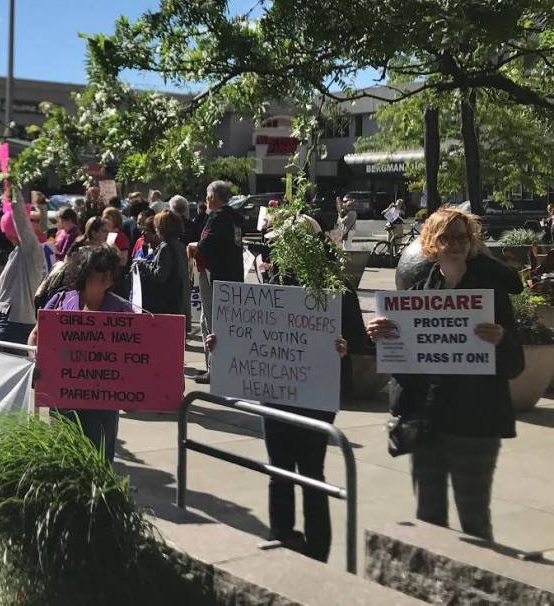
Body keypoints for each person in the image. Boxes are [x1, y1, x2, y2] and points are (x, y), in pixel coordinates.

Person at [366, 208, 524, 542]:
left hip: (475, 424)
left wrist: (500, 341)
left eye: (461, 238)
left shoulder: (490, 295)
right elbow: (404, 371)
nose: (453, 244)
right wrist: (384, 339)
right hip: (427, 423)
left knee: (475, 521)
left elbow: (515, 366)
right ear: (430, 244)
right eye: (445, 237)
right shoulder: (416, 295)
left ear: (472, 243)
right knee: (428, 520)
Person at [205, 331, 348, 561]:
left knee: (311, 476)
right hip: (274, 391)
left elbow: (345, 332)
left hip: (315, 395)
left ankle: (318, 550)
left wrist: (341, 349)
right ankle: (281, 536)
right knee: (279, 471)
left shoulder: (330, 295)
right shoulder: (258, 295)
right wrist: (222, 346)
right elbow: (245, 329)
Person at [28, 244, 133, 463]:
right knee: (65, 456)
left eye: (110, 270)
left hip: (103, 400)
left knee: (99, 459)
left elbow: (135, 352)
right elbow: (35, 336)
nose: (107, 275)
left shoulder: (122, 310)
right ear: (85, 272)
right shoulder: (60, 301)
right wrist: (36, 361)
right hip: (64, 396)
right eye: (100, 269)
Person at [195, 180, 245, 384]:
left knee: (211, 323)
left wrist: (195, 250)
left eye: (208, 196)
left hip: (216, 277)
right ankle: (223, 366)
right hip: (233, 277)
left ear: (212, 197)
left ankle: (214, 369)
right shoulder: (234, 218)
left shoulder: (216, 218)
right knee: (226, 325)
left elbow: (203, 247)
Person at [0, 189, 47, 344]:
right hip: (4, 317)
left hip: (17, 322)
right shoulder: (16, 252)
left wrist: (14, 191)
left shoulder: (32, 250)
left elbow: (22, 223)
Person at [136, 211, 190, 317]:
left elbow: (160, 276)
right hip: (178, 300)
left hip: (166, 303)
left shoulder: (165, 248)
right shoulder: (180, 245)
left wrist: (141, 265)